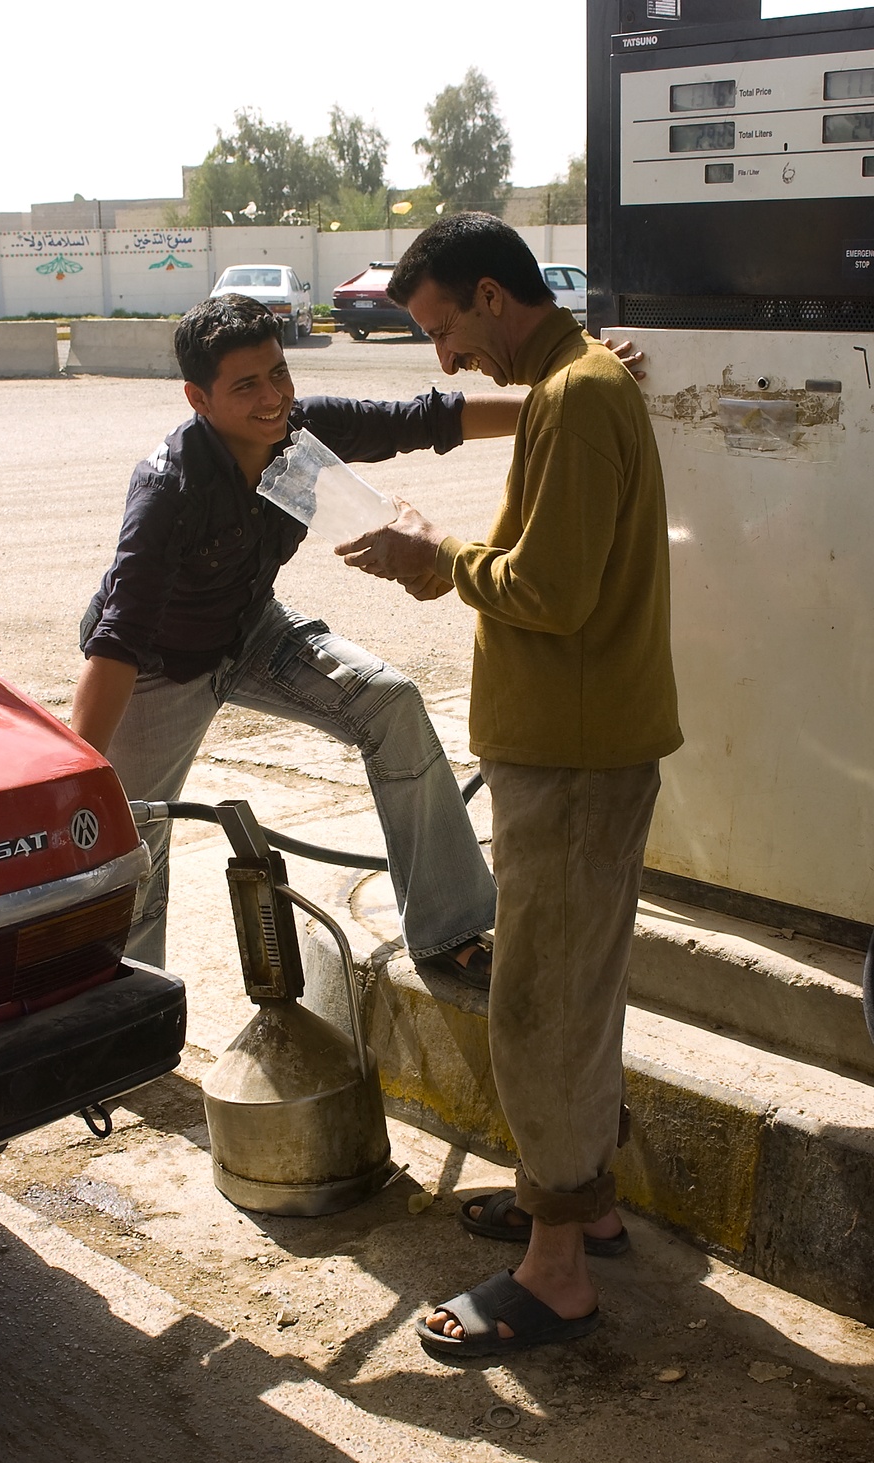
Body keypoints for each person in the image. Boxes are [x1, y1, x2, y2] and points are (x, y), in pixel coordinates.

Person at [336, 213, 682, 1358]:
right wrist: (454, 567)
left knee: (541, 1008)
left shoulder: (576, 395)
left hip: (577, 759)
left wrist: (435, 563)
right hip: (574, 745)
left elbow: (556, 592)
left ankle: (556, 1269)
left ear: (492, 296)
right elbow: (538, 567)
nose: (443, 362)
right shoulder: (570, 387)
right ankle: (584, 1203)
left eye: (442, 329)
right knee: (575, 998)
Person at [71, 292, 515, 984]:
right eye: (245, 385)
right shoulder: (169, 487)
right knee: (132, 848)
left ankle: (451, 925)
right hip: (160, 668)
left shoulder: (303, 437)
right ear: (199, 398)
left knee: (389, 703)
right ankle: (124, 1006)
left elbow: (427, 419)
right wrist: (78, 775)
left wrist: (553, 405)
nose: (273, 397)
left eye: (278, 373)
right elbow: (121, 637)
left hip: (251, 632)